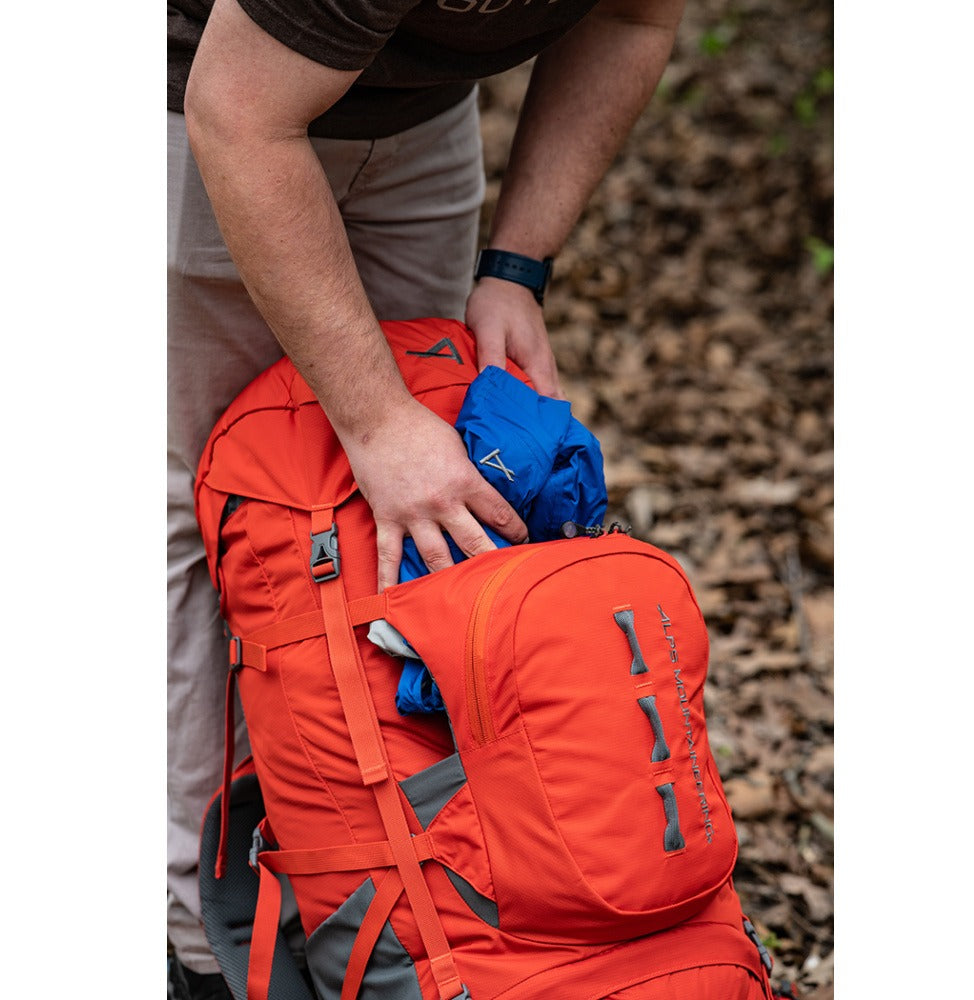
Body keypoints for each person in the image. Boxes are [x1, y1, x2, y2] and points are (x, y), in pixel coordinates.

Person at [167, 0, 687, 994]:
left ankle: (422, 907)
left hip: (422, 114)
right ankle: (194, 936)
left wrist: (516, 268)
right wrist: (372, 420)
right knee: (199, 509)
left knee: (415, 510)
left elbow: (631, 18)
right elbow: (237, 113)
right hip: (199, 103)